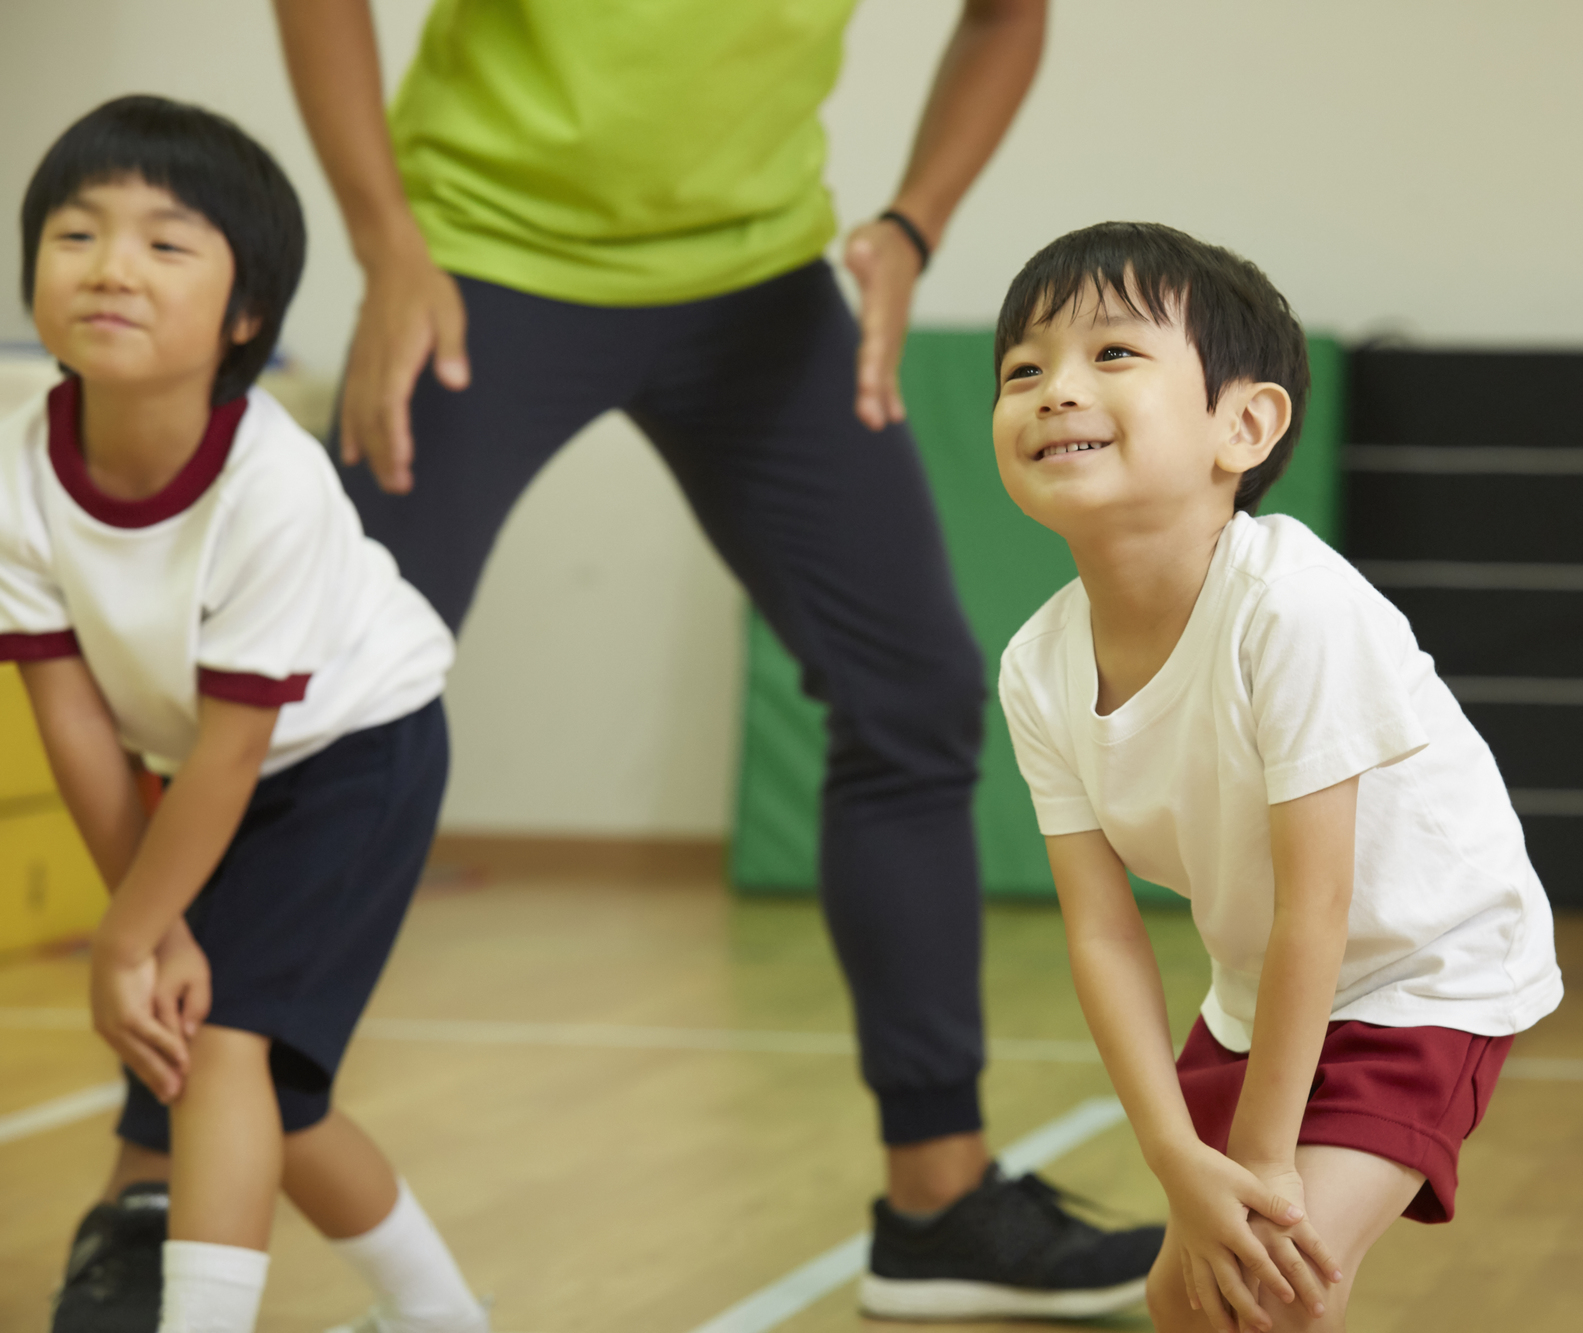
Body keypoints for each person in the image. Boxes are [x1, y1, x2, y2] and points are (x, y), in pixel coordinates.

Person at [210, 0, 1149, 1323]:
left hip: (759, 289)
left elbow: (1008, 16)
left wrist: (912, 226)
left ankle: (937, 1199)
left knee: (912, 692)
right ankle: (155, 1176)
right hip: (482, 260)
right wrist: (384, 239)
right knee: (306, 710)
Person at [990, 222, 1565, 1333]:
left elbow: (1321, 899)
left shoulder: (1291, 602)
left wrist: (1257, 1163)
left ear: (1243, 424)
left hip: (1420, 975)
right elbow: (1101, 934)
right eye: (1023, 369)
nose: (1055, 390)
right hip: (1260, 997)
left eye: (1111, 354)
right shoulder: (1037, 664)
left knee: (1258, 1282)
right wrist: (1172, 1160)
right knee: (1186, 1298)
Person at [7, 97, 484, 1333]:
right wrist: (143, 927)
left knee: (215, 1049)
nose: (113, 265)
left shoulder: (274, 483)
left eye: (168, 244)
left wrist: (131, 942)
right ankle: (441, 1316)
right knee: (261, 1080)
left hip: (356, 752)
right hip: (213, 770)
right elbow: (69, 717)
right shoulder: (14, 461)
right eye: (77, 234)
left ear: (246, 316)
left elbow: (231, 749)